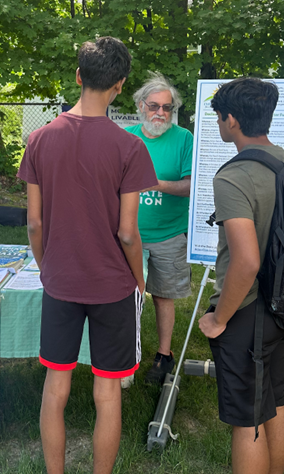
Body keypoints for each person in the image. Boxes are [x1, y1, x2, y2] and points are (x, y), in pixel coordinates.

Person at [17, 37, 158, 474]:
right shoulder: (128, 147)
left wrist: (47, 266)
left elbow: (34, 223)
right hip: (111, 285)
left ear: (77, 75)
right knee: (106, 394)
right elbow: (127, 233)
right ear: (120, 87)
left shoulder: (40, 140)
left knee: (55, 390)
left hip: (61, 281)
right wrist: (138, 280)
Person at [184, 77, 284, 474]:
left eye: (218, 117)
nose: (217, 124)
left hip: (248, 312)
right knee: (275, 405)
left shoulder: (233, 177)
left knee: (247, 421)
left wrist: (217, 319)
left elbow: (245, 262)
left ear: (232, 120)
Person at [125, 73, 194, 384]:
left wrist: (155, 184)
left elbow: (191, 186)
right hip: (129, 234)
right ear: (141, 106)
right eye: (154, 106)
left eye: (167, 108)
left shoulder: (184, 139)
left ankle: (163, 356)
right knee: (125, 297)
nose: (161, 113)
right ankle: (125, 353)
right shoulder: (126, 138)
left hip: (169, 232)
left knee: (163, 296)